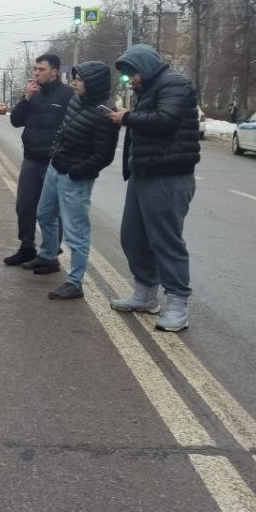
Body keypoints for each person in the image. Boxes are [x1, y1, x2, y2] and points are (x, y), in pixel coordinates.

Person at [104, 44, 201, 331]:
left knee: (165, 242)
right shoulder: (150, 87)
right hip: (144, 173)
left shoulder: (175, 83)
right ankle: (145, 294)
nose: (129, 79)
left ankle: (177, 304)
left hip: (168, 175)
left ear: (144, 66)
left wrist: (127, 117)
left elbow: (166, 120)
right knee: (132, 237)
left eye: (131, 73)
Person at [30, 62, 121, 299]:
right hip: (56, 167)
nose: (74, 83)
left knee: (76, 232)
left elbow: (104, 156)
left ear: (92, 83)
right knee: (44, 214)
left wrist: (75, 171)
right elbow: (64, 128)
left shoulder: (106, 112)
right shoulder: (76, 100)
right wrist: (55, 153)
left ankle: (75, 282)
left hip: (75, 178)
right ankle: (49, 256)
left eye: (79, 79)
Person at [5, 54, 73, 267]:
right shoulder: (33, 94)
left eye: (40, 69)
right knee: (25, 205)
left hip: (56, 161)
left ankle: (50, 251)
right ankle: (26, 248)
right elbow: (15, 121)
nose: (36, 73)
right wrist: (26, 99)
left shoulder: (68, 95)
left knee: (52, 210)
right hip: (32, 158)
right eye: (34, 69)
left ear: (54, 72)